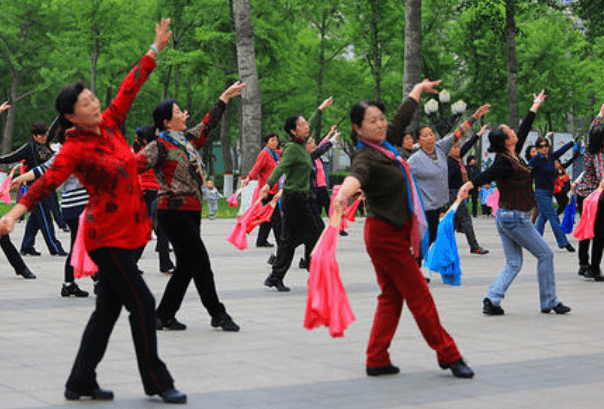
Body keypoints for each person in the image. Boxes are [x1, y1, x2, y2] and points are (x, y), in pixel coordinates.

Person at [0, 18, 186, 403]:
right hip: (106, 239)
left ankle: (80, 381)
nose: (95, 103)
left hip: (132, 234)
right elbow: (46, 182)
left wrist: (154, 49)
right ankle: (158, 381)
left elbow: (128, 87)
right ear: (71, 115)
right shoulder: (74, 149)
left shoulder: (113, 125)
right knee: (144, 304)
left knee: (105, 313)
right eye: (86, 102)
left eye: (93, 97)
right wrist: (13, 214)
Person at [331, 79, 474, 379]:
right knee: (420, 296)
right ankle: (449, 354)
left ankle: (376, 357)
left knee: (391, 296)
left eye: (381, 119)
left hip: (390, 232)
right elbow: (357, 177)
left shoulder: (384, 145)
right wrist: (343, 195)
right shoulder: (366, 155)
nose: (381, 125)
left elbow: (400, 119)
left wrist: (418, 90)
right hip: (385, 236)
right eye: (373, 121)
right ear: (358, 128)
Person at [137, 80, 246, 333]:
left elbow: (208, 125)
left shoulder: (185, 140)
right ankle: (217, 314)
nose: (183, 113)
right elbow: (132, 166)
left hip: (191, 210)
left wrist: (224, 98)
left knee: (186, 266)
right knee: (201, 262)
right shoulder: (159, 146)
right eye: (177, 111)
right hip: (172, 211)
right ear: (166, 121)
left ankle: (162, 315)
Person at [459, 90, 571, 316]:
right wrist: (468, 186)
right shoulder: (504, 162)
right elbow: (487, 175)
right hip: (514, 217)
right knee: (545, 255)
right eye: (510, 131)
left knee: (513, 263)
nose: (514, 132)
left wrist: (535, 105)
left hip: (507, 216)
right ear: (505, 140)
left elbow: (525, 128)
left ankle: (492, 299)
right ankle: (549, 301)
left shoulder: (513, 155)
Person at [258, 102, 330, 292]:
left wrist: (320, 110)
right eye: (302, 124)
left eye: (307, 123)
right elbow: (280, 167)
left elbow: (312, 124)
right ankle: (312, 269)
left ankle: (275, 276)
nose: (307, 126)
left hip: (298, 199)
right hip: (295, 199)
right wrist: (268, 184)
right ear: (293, 131)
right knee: (315, 233)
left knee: (289, 240)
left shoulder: (301, 145)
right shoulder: (291, 148)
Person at [408, 104, 491, 247]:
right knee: (427, 240)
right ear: (419, 141)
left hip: (439, 205)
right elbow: (401, 177)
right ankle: (412, 260)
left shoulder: (441, 148)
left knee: (433, 238)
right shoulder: (414, 160)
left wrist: (475, 116)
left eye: (431, 134)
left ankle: (416, 259)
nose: (429, 138)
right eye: (425, 136)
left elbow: (459, 132)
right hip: (424, 208)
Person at [11, 149, 91, 296]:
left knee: (80, 246)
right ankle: (97, 281)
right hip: (80, 208)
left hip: (71, 207)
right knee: (89, 247)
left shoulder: (65, 151)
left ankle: (70, 284)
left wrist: (21, 177)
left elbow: (41, 169)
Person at [0, 121, 67, 256]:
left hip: (49, 185)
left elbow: (54, 127)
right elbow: (11, 157)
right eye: (41, 135)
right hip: (36, 188)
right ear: (34, 136)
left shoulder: (46, 142)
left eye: (46, 135)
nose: (44, 137)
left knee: (35, 219)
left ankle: (26, 246)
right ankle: (55, 247)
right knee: (45, 217)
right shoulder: (29, 147)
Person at [132, 125, 175, 275]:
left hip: (144, 193)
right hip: (153, 193)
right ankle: (163, 264)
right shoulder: (152, 151)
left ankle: (163, 264)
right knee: (159, 230)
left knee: (156, 229)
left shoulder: (137, 151)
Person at [299, 125, 340, 268]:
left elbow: (322, 147)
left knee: (314, 230)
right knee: (300, 235)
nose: (314, 145)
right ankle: (305, 259)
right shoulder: (301, 159)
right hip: (302, 201)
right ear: (304, 146)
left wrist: (333, 137)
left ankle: (308, 259)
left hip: (313, 197)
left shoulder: (311, 157)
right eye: (311, 143)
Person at [529, 133, 577, 252]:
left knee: (542, 217)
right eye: (541, 146)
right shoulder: (535, 160)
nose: (544, 148)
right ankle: (563, 242)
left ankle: (535, 241)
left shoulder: (551, 157)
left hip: (549, 192)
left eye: (546, 145)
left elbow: (562, 150)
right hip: (540, 192)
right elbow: (525, 171)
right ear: (538, 149)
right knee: (553, 217)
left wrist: (572, 142)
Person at [447, 125, 489, 254]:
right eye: (454, 147)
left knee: (452, 222)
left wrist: (478, 134)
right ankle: (474, 246)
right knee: (465, 219)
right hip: (453, 193)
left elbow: (467, 145)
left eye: (458, 147)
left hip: (458, 192)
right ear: (448, 150)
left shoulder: (457, 159)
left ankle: (444, 247)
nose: (458, 149)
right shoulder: (448, 161)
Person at [575, 103, 604, 281]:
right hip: (596, 198)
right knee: (599, 233)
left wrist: (601, 115)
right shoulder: (600, 154)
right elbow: (602, 175)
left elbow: (594, 128)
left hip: (583, 194)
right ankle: (594, 269)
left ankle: (583, 264)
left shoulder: (588, 150)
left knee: (586, 231)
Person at [240, 132, 282, 248]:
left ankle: (261, 240)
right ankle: (282, 242)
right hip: (266, 192)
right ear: (267, 142)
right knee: (276, 218)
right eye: (272, 140)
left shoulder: (275, 154)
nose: (275, 142)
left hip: (274, 190)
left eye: (276, 140)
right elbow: (257, 167)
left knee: (268, 217)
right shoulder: (264, 154)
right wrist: (248, 178)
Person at [553, 143, 580, 215]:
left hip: (563, 191)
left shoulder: (562, 168)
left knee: (565, 204)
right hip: (557, 191)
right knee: (563, 205)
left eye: (557, 163)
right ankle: (556, 216)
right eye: (555, 163)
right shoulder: (553, 171)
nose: (556, 165)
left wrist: (576, 155)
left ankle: (566, 217)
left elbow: (569, 161)